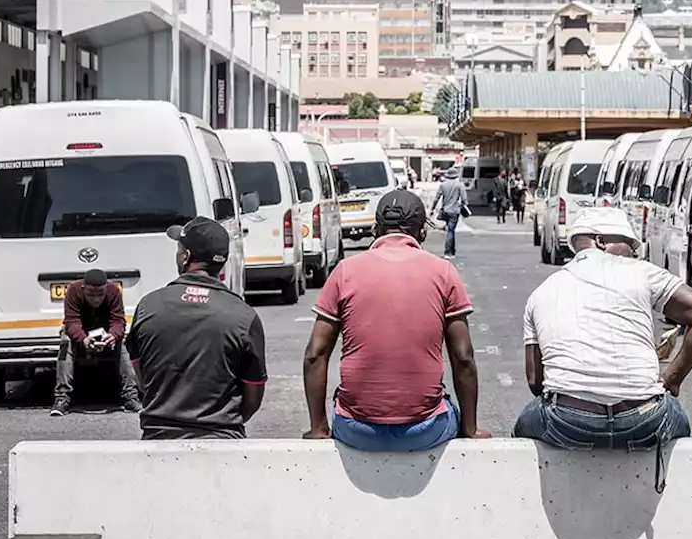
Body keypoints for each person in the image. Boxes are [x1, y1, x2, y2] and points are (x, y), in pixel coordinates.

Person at [512, 208, 692, 460]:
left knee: (524, 424)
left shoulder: (541, 293)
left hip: (567, 423)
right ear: (601, 241)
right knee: (676, 419)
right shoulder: (642, 271)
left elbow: (535, 382)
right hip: (645, 421)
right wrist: (671, 379)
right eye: (630, 244)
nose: (635, 252)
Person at [302, 189, 489, 450]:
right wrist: (470, 429)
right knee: (448, 411)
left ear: (375, 230)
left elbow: (315, 354)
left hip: (356, 429)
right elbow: (463, 357)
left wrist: (319, 428)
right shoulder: (443, 273)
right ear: (422, 232)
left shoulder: (345, 271)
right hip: (424, 429)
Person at [125, 216, 268, 439]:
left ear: (186, 257)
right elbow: (253, 394)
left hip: (159, 437)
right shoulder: (244, 316)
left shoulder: (148, 306)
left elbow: (142, 379)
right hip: (222, 440)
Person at [52, 268, 141, 416]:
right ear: (83, 288)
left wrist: (113, 335)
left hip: (104, 328)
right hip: (80, 329)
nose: (96, 299)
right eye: (91, 294)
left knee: (122, 345)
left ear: (106, 288)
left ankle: (130, 396)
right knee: (65, 342)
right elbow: (71, 321)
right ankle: (62, 398)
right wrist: (83, 339)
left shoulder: (113, 291)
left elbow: (118, 320)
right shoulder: (73, 291)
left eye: (100, 294)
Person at [430, 167, 468, 259]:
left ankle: (452, 251)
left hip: (446, 211)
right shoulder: (459, 185)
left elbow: (436, 198)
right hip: (455, 211)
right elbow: (464, 200)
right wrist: (460, 205)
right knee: (451, 230)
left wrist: (432, 209)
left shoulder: (443, 185)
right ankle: (448, 252)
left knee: (451, 230)